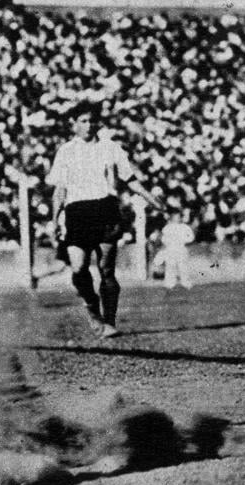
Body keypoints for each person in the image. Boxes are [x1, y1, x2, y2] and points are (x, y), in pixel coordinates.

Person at [48, 101, 165, 338]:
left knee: (106, 270)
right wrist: (54, 219)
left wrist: (150, 197)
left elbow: (129, 179)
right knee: (79, 268)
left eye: (92, 120)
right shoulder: (66, 151)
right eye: (83, 121)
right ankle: (92, 307)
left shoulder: (110, 148)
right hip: (77, 211)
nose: (89, 125)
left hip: (105, 209)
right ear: (74, 124)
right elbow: (59, 189)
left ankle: (109, 322)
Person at [155, 210, 196, 290]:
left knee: (183, 267)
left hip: (181, 248)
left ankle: (186, 283)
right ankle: (169, 284)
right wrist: (168, 243)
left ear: (180, 217)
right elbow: (163, 238)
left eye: (178, 216)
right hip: (170, 248)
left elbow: (191, 237)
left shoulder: (185, 227)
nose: (176, 218)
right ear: (171, 218)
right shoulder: (167, 228)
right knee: (170, 266)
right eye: (174, 216)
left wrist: (183, 241)